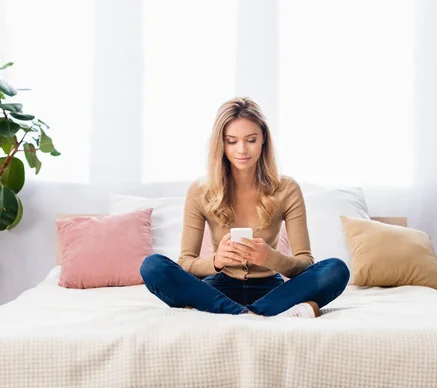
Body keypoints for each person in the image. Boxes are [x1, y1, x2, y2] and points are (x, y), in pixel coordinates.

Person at [140, 97, 349, 317]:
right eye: (232, 141)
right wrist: (216, 261)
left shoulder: (287, 188)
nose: (242, 149)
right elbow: (186, 263)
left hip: (272, 288)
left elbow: (304, 263)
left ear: (263, 141)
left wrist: (269, 256)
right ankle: (253, 315)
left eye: (251, 139)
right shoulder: (199, 191)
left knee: (336, 269)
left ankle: (235, 313)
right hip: (217, 287)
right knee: (153, 266)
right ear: (221, 143)